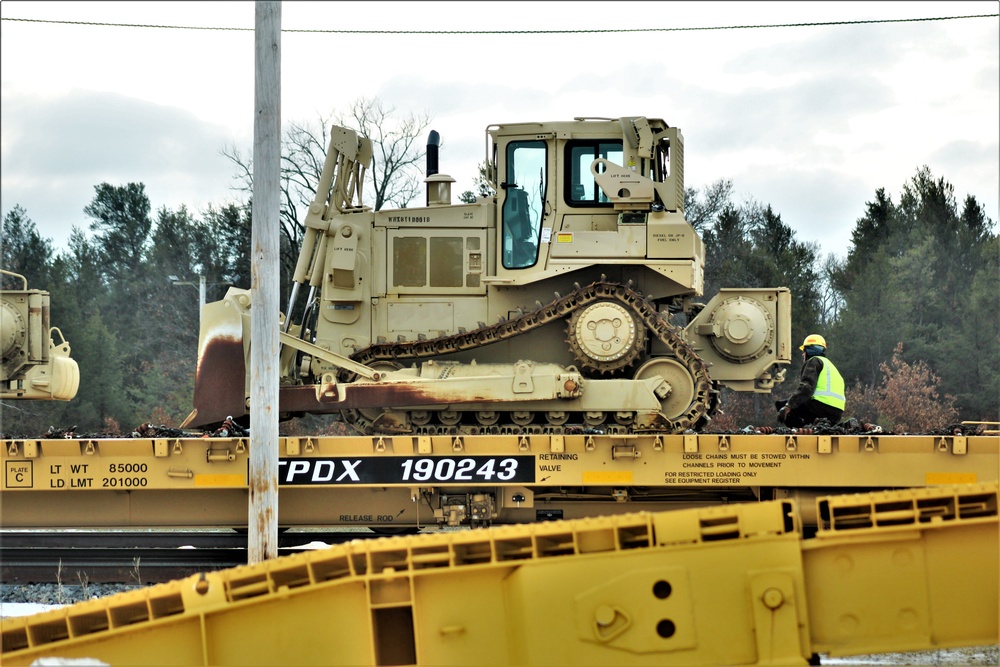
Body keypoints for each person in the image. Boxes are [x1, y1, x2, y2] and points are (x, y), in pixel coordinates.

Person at [775, 334, 845, 428]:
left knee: (781, 405)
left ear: (809, 350)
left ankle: (799, 432)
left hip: (820, 408)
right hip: (837, 413)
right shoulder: (830, 366)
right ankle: (811, 428)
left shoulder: (814, 361)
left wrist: (788, 406)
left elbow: (806, 388)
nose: (803, 354)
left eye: (804, 351)